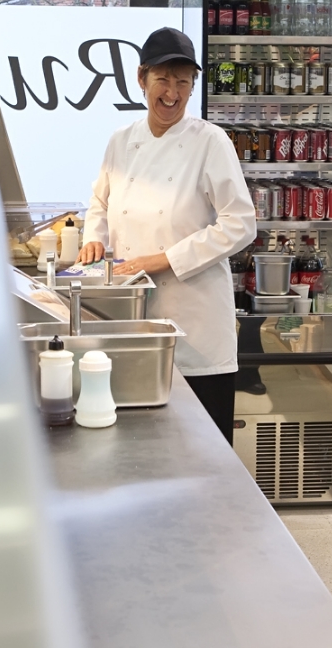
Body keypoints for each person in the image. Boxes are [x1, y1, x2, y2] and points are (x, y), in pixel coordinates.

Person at [78, 27, 256, 443]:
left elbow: (240, 223)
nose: (172, 92)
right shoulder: (121, 142)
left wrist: (163, 259)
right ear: (142, 79)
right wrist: (94, 237)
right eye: (163, 79)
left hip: (194, 323)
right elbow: (99, 202)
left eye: (183, 82)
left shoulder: (211, 142)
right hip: (132, 321)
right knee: (138, 447)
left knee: (204, 452)